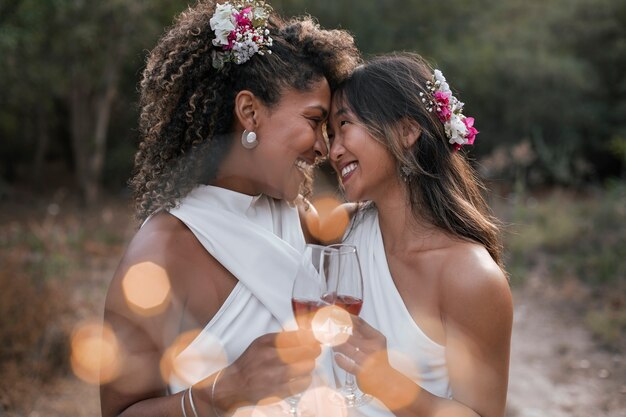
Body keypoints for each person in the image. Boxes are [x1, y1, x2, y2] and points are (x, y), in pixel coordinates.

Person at [100, 1, 360, 416]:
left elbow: (386, 224)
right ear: (249, 112)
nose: (323, 148)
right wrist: (225, 390)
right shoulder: (160, 253)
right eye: (315, 121)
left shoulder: (294, 215)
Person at [326, 53, 513, 417]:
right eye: (329, 135)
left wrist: (385, 380)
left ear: (407, 131)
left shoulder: (470, 277)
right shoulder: (340, 230)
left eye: (344, 125)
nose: (332, 151)